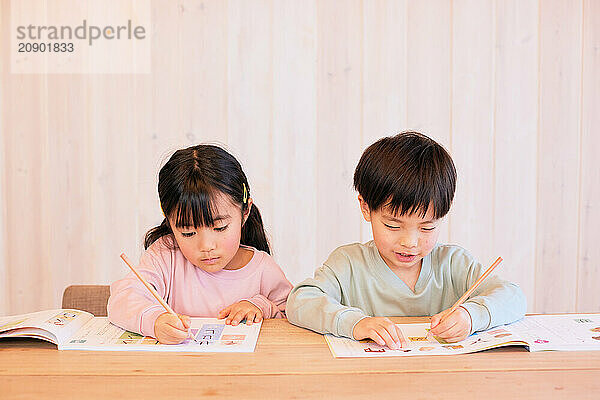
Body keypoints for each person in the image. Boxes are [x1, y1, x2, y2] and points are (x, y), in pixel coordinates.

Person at [286, 131, 526, 350]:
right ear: (365, 207)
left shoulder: (453, 264)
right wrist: (356, 323)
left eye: (427, 227)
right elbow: (299, 302)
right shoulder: (348, 264)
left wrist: (470, 316)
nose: (410, 242)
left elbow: (513, 297)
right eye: (393, 225)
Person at [108, 144, 292, 344]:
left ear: (245, 212)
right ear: (169, 221)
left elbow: (295, 317)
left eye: (220, 227)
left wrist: (260, 306)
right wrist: (155, 321)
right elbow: (122, 299)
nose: (206, 246)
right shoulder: (165, 255)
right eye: (188, 232)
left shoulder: (263, 269)